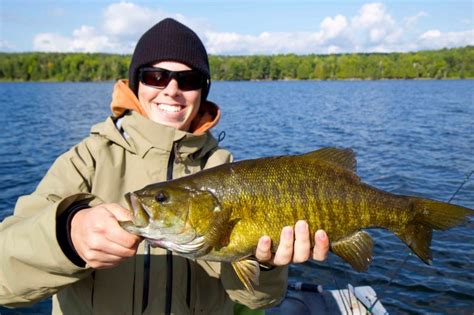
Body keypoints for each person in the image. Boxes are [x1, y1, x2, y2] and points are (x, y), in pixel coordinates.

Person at [0, 18, 329, 314]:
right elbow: (5, 282)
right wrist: (67, 236)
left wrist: (267, 265)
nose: (171, 90)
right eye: (156, 76)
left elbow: (256, 301)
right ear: (135, 84)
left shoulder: (223, 166)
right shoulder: (88, 160)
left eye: (188, 79)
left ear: (203, 90)